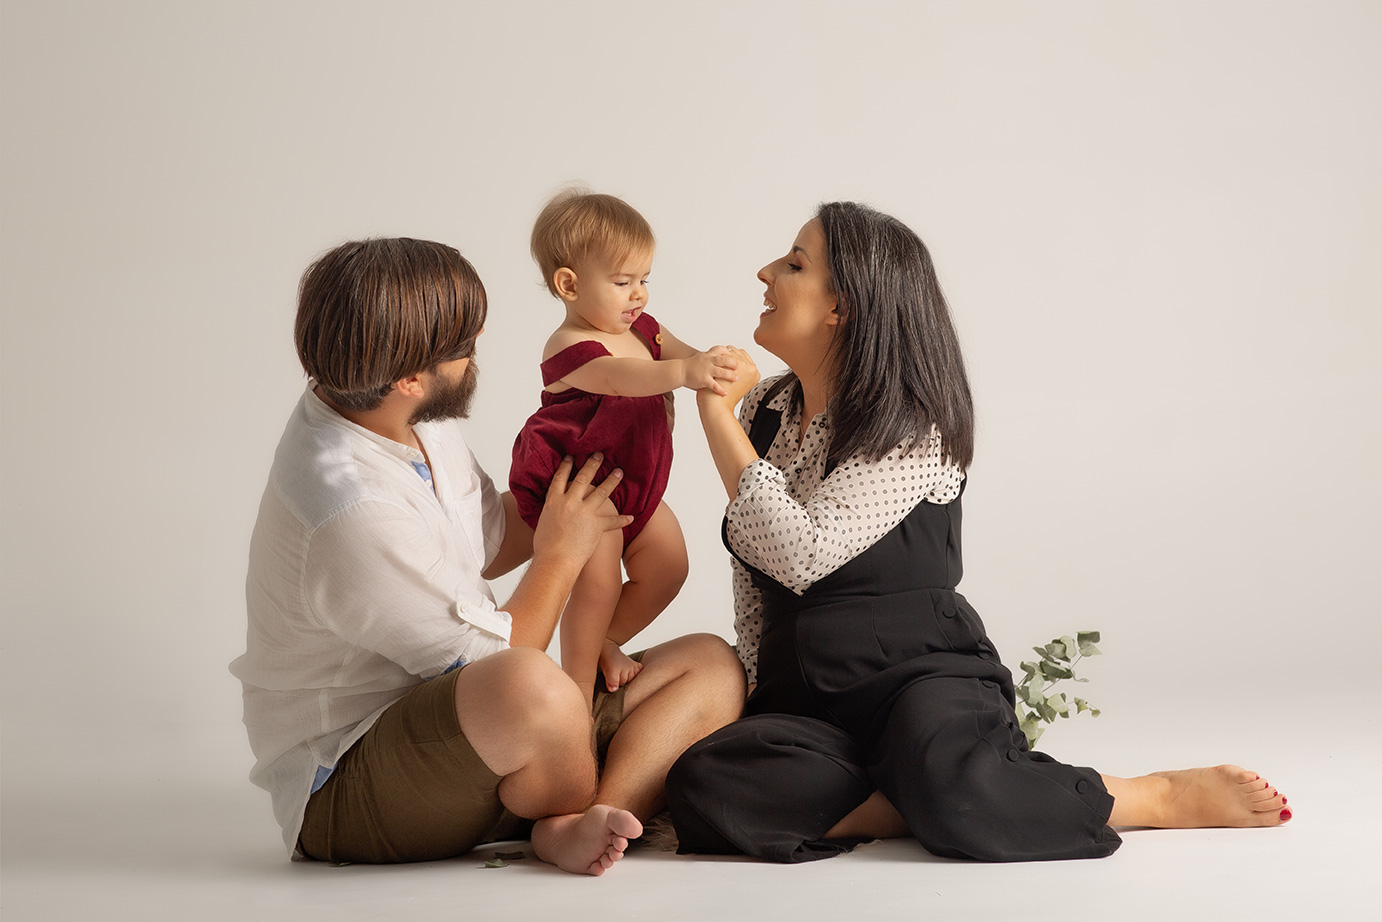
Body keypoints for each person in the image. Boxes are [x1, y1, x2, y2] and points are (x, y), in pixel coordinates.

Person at [665, 202, 1292, 863]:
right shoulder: (765, 411)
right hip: (809, 696)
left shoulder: (910, 425)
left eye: (793, 264)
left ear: (841, 308)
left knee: (953, 778)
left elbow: (799, 551)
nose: (765, 273)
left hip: (915, 678)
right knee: (704, 781)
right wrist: (758, 684)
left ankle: (1148, 797)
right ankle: (918, 801)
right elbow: (755, 565)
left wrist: (712, 410)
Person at [230, 237, 745, 875]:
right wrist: (560, 552)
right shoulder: (348, 510)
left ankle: (576, 819)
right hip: (348, 780)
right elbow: (499, 663)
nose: (478, 361)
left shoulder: (407, 415)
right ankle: (562, 803)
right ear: (409, 376)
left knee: (712, 665)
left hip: (489, 729)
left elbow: (489, 536)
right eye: (465, 350)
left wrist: (588, 489)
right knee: (535, 685)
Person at [510, 190, 739, 700]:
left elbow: (684, 353)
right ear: (569, 284)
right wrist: (682, 372)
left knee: (669, 564)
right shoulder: (570, 347)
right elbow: (620, 379)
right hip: (584, 491)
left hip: (633, 484)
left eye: (644, 280)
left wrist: (708, 361)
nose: (639, 295)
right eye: (622, 282)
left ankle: (608, 640)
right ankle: (574, 683)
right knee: (600, 581)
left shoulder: (646, 330)